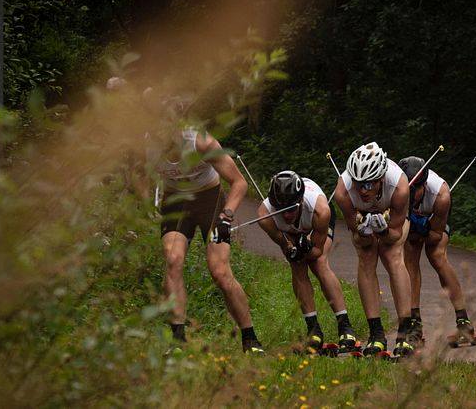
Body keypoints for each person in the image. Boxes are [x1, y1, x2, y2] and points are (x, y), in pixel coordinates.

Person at [149, 117, 265, 354]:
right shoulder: (146, 145)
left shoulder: (200, 142)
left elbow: (239, 183)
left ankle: (249, 337)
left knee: (219, 271)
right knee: (173, 260)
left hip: (209, 202)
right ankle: (177, 339)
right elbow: (139, 176)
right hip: (176, 202)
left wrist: (227, 215)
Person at [257, 171, 358, 353]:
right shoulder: (265, 215)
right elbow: (282, 240)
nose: (287, 215)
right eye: (282, 210)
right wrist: (291, 248)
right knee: (297, 265)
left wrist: (308, 245)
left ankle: (345, 327)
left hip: (314, 225)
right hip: (290, 233)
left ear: (301, 201)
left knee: (319, 264)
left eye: (291, 210)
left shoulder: (321, 210)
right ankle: (313, 330)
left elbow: (317, 251)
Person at [333, 142, 416, 357]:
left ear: (381, 179)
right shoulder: (343, 192)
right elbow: (359, 237)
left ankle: (404, 334)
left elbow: (395, 236)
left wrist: (384, 229)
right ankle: (376, 334)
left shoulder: (399, 187)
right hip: (362, 218)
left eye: (369, 184)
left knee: (392, 255)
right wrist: (363, 230)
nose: (362, 190)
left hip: (391, 221)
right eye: (358, 184)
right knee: (366, 256)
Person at [397, 156, 476, 346]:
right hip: (414, 227)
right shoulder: (399, 191)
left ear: (424, 185)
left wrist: (422, 228)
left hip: (434, 224)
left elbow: (435, 235)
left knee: (437, 256)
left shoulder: (441, 195)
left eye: (414, 191)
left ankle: (464, 323)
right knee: (410, 255)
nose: (410, 195)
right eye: (407, 190)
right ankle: (415, 327)